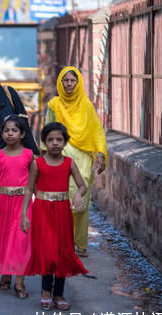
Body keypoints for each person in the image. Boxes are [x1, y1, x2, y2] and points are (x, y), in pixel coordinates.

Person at [21, 122, 88, 311]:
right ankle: (45, 291)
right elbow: (28, 190)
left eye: (59, 139)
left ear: (65, 142)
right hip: (42, 211)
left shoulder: (69, 163)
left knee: (62, 252)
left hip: (62, 211)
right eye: (50, 140)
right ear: (44, 142)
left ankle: (59, 293)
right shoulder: (38, 163)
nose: (55, 143)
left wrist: (77, 194)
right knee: (47, 251)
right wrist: (24, 215)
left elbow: (82, 185)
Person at [45, 66, 107, 258]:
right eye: (66, 80)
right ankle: (63, 242)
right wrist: (45, 158)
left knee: (82, 202)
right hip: (60, 157)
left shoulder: (86, 105)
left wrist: (101, 153)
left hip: (82, 158)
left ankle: (80, 244)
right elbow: (47, 131)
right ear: (60, 83)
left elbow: (96, 130)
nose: (69, 84)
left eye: (73, 80)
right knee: (62, 201)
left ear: (78, 82)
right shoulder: (54, 105)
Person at [0, 115, 33, 299]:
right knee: (5, 239)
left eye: (14, 130)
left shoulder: (29, 155)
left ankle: (19, 283)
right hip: (2, 202)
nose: (10, 134)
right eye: (6, 130)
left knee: (20, 240)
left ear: (22, 133)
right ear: (2, 133)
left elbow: (33, 183)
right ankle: (5, 276)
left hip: (23, 203)